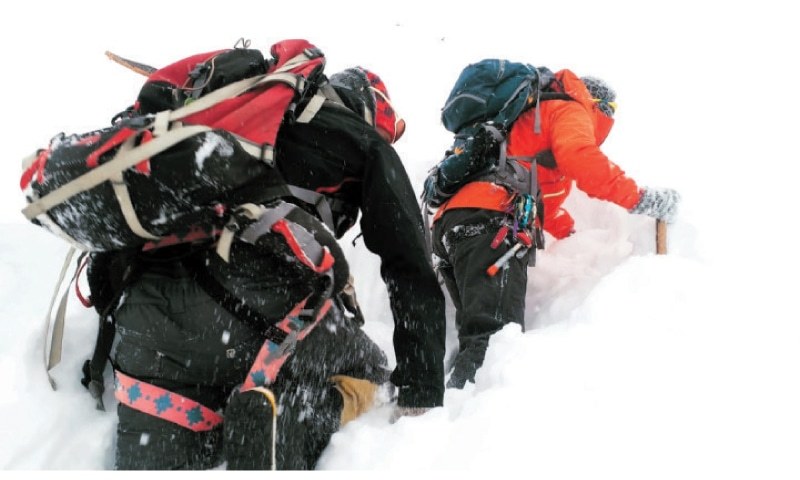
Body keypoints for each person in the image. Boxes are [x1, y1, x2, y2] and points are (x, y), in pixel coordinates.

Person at [88, 59, 445, 470]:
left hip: (146, 320)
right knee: (369, 374)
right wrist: (421, 388)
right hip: (257, 307)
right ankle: (283, 420)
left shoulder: (214, 120)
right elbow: (409, 264)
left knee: (169, 461)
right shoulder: (358, 139)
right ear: (372, 107)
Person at [430, 68, 680, 389]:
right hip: (490, 224)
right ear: (598, 103)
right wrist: (642, 199)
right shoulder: (570, 108)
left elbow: (540, 196)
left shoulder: (531, 117)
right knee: (493, 343)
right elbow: (582, 160)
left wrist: (569, 234)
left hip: (454, 224)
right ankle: (463, 422)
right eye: (611, 110)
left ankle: (449, 407)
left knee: (477, 337)